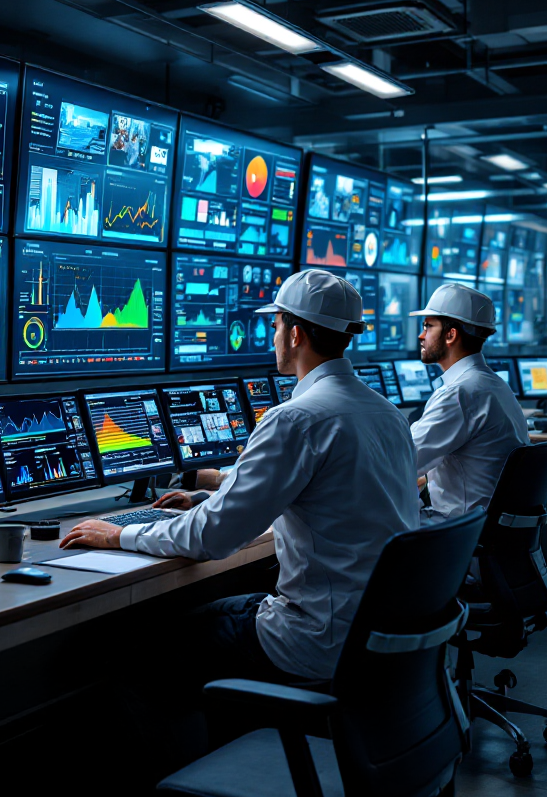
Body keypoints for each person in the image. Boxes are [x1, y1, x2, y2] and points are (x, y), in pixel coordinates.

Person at [60, 269, 418, 683]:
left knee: (138, 653)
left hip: (317, 636)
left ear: (296, 334)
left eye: (276, 325)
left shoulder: (296, 419)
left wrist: (116, 535)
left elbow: (214, 537)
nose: (273, 337)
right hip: (376, 625)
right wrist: (205, 497)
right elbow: (316, 490)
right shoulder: (386, 413)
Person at [408, 283, 529, 524]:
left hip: (460, 529)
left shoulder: (460, 394)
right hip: (487, 526)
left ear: (451, 335)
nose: (421, 335)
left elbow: (402, 460)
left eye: (428, 326)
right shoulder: (493, 384)